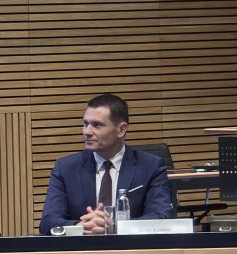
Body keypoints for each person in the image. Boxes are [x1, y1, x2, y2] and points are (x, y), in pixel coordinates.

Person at [39, 93, 171, 235]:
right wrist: (81, 226)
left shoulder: (151, 167)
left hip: (131, 247)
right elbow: (48, 222)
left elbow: (161, 217)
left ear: (121, 130)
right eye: (85, 124)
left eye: (97, 125)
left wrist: (113, 226)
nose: (87, 132)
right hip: (82, 247)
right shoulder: (66, 168)